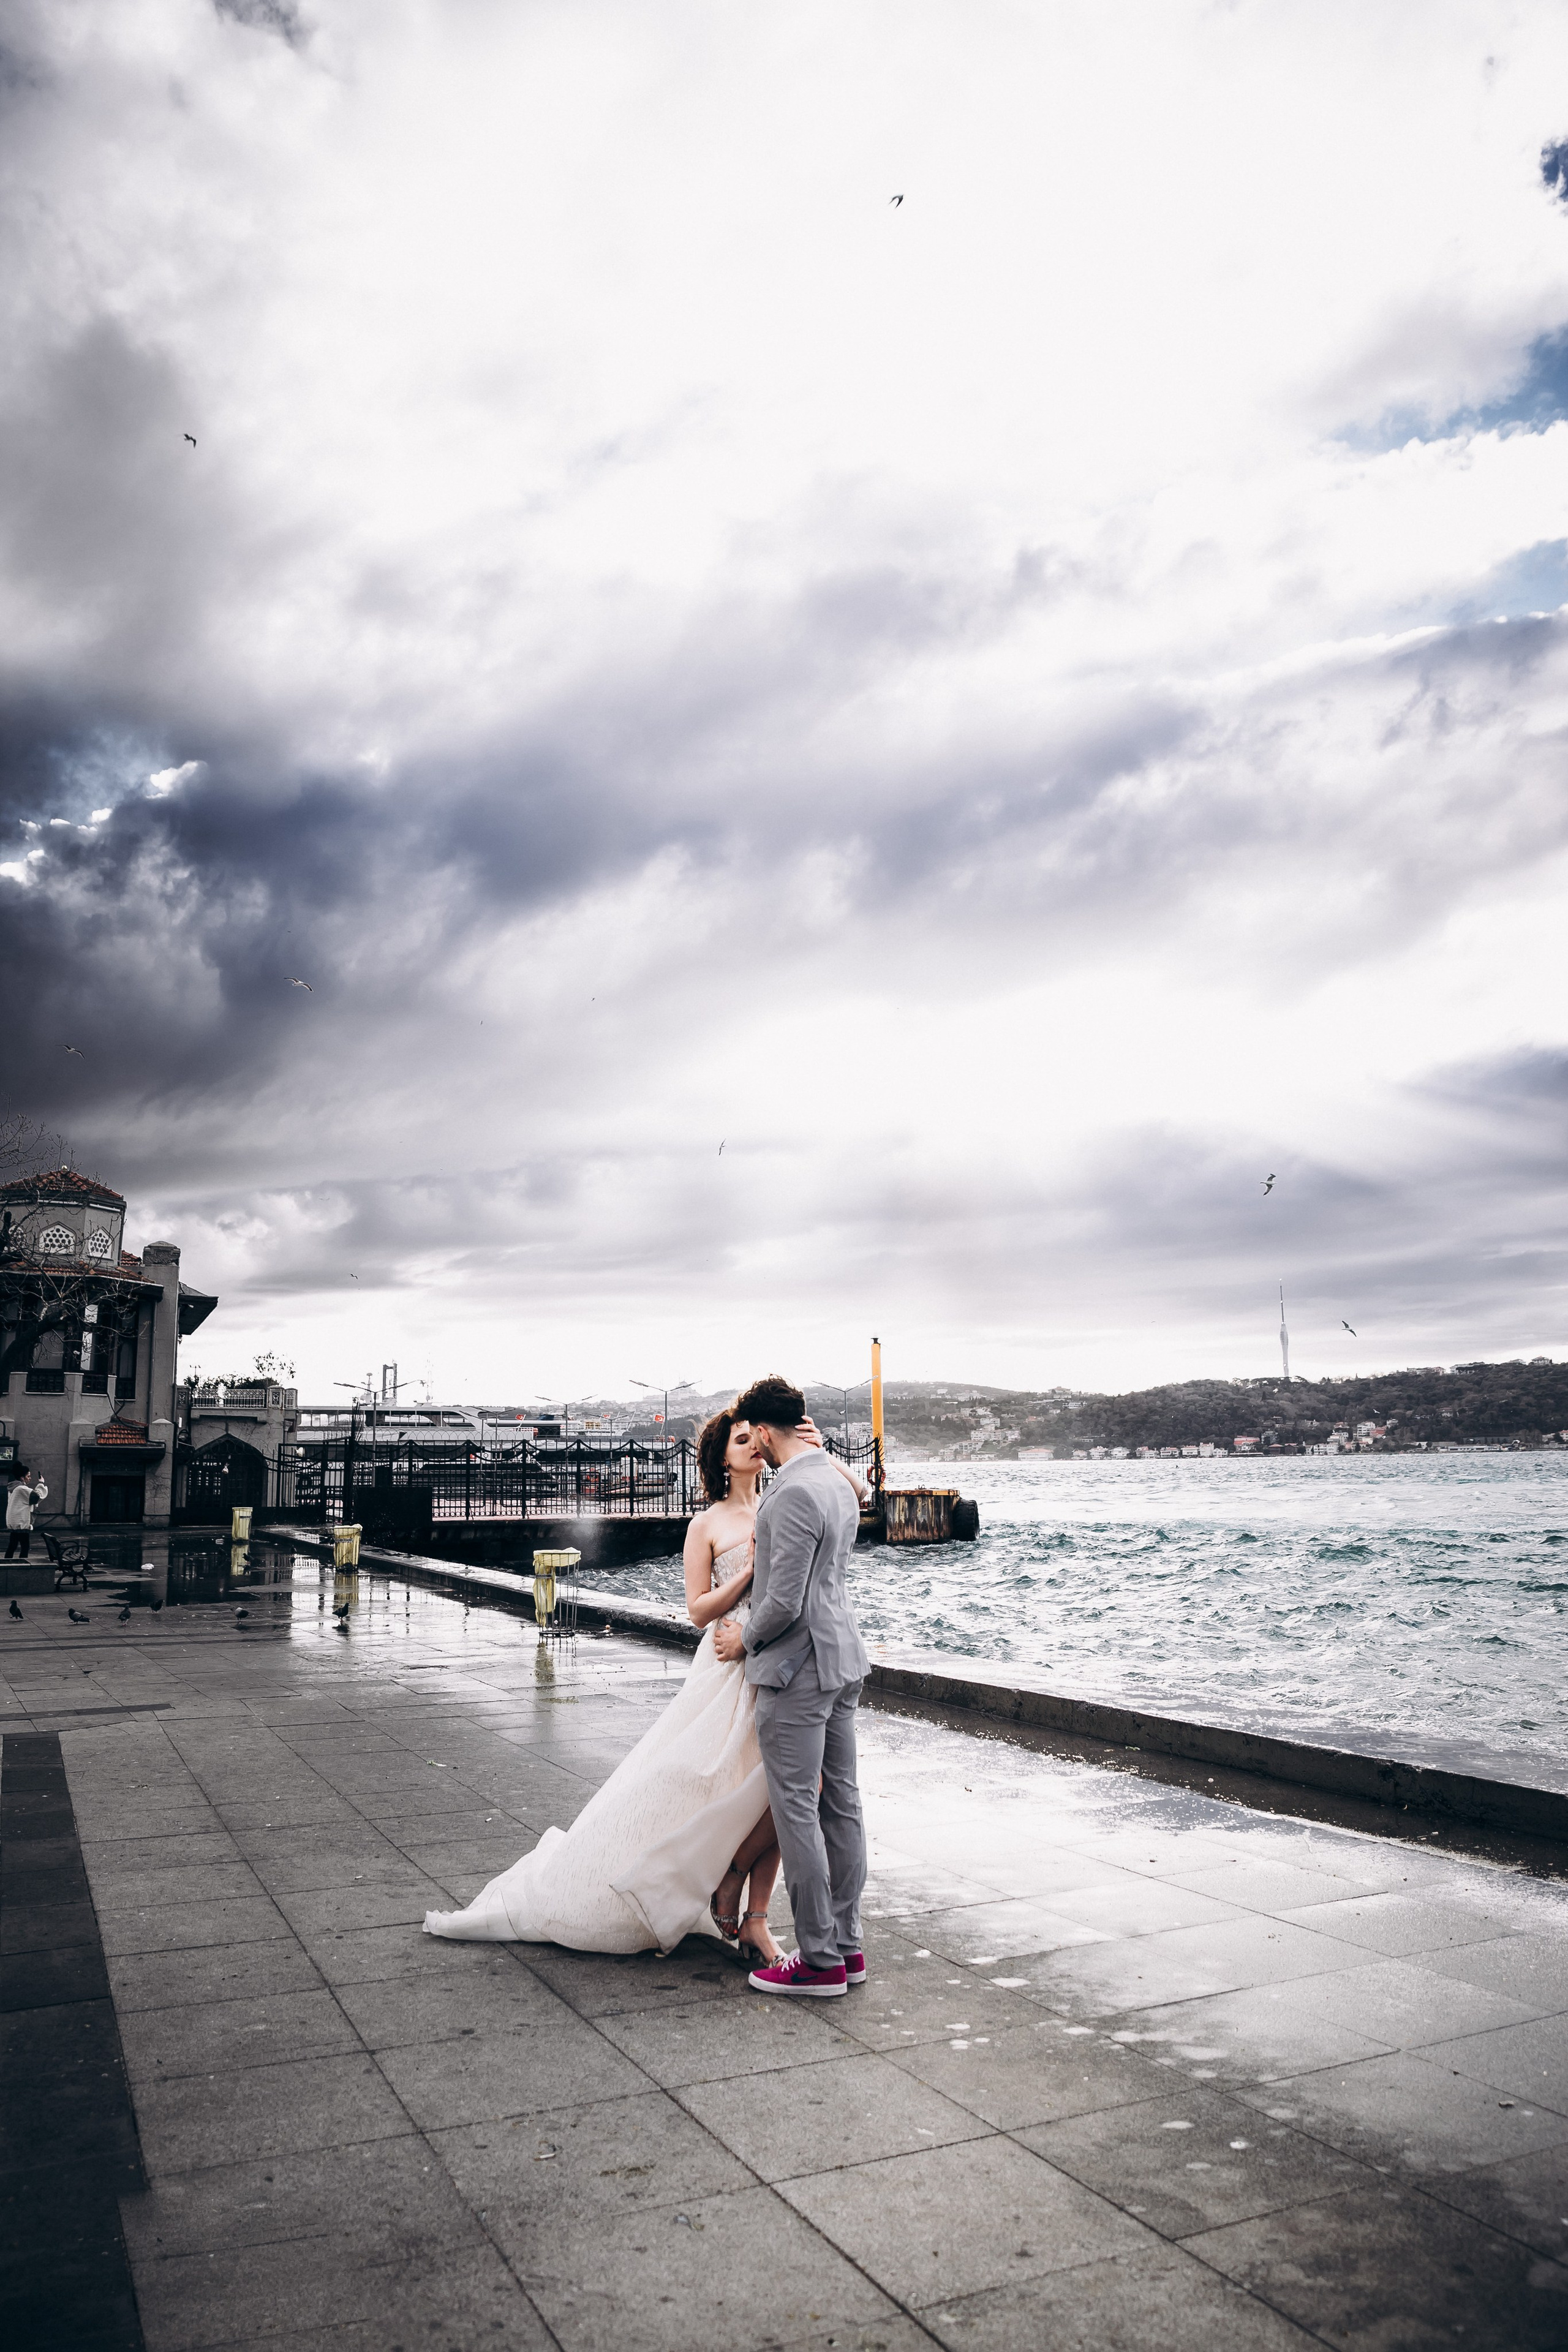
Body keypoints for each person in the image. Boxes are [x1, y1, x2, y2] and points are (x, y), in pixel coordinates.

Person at [422, 1404, 870, 1957]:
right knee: (748, 1790)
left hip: (781, 1657)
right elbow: (697, 1610)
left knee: (780, 1796)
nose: (754, 1446)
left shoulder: (785, 1497)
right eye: (739, 1442)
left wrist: (818, 1450)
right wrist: (751, 1574)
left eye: (753, 1437)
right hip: (731, 1662)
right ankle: (704, 1885)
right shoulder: (707, 1525)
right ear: (722, 1461)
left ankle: (754, 1913)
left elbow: (851, 1497)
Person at [720, 1373, 871, 1999]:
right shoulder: (836, 1483)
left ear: (761, 1431)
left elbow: (781, 1602)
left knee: (798, 1811)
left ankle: (818, 1960)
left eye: (751, 1435)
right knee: (843, 1805)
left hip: (797, 1669)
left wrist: (745, 1640)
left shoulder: (788, 1495)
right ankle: (847, 1947)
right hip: (843, 1658)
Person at [5, 1466, 47, 1562]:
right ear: (22, 1478)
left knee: (12, 1546)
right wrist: (41, 1484)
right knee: (25, 1547)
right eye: (28, 1476)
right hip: (21, 1523)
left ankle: (6, 1564)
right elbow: (37, 1497)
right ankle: (22, 1566)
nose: (30, 1478)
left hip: (14, 1522)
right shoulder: (21, 1489)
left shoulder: (13, 1488)